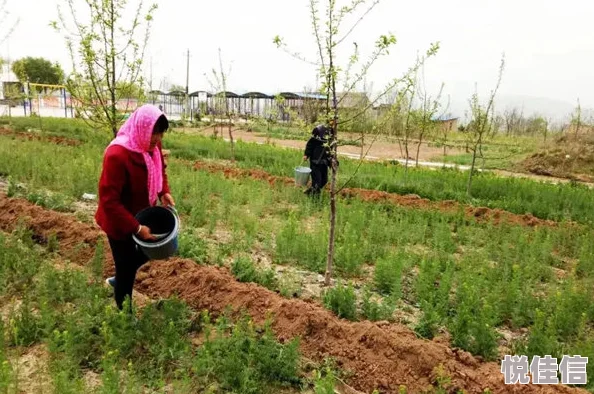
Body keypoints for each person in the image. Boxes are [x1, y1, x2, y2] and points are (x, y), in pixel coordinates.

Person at [95, 104, 175, 311]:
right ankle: (125, 316)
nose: (157, 140)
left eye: (159, 135)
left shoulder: (152, 145)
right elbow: (109, 202)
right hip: (118, 221)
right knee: (126, 268)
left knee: (152, 250)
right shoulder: (117, 155)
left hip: (140, 212)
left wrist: (163, 192)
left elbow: (160, 170)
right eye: (153, 135)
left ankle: (120, 275)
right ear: (142, 129)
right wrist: (137, 228)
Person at [303, 124, 331, 196]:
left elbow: (330, 151)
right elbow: (310, 145)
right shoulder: (316, 134)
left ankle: (310, 192)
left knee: (324, 180)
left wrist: (331, 162)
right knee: (317, 182)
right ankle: (315, 199)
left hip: (324, 163)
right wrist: (306, 154)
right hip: (315, 162)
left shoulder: (330, 137)